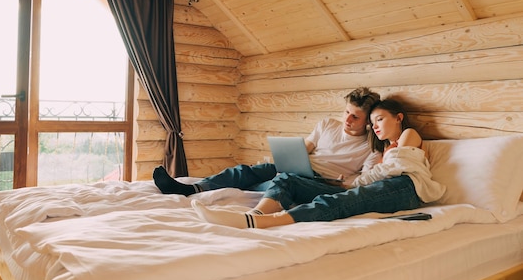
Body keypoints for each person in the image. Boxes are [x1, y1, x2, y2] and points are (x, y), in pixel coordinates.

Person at [191, 98, 446, 229]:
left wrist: (356, 181)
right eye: (374, 122)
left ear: (398, 117)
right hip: (387, 187)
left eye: (379, 120)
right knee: (287, 179)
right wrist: (355, 180)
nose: (375, 126)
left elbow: (391, 170)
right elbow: (379, 172)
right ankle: (255, 213)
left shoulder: (408, 135)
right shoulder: (384, 147)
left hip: (406, 187)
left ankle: (261, 222)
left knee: (338, 202)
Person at [152, 86, 382, 196]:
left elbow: (365, 179)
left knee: (276, 181)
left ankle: (245, 188)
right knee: (253, 170)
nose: (347, 119)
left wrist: (343, 181)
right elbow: (305, 148)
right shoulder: (327, 125)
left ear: (368, 122)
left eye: (355, 116)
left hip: (322, 182)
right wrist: (287, 156)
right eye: (346, 112)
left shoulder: (371, 147)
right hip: (299, 169)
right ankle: (192, 187)